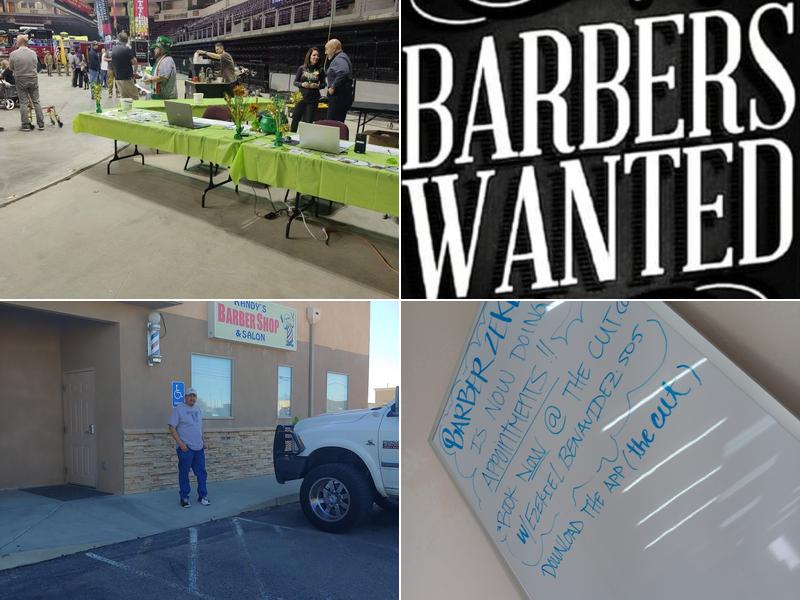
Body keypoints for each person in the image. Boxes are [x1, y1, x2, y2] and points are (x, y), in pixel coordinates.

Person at [168, 387, 210, 508]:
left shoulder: (198, 409)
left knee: (201, 473)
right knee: (184, 473)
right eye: (190, 396)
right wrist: (181, 444)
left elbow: (199, 427)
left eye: (194, 396)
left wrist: (203, 441)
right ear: (185, 397)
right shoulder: (178, 409)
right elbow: (171, 427)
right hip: (186, 449)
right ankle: (184, 498)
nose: (192, 398)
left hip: (199, 448)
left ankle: (203, 496)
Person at [8, 35, 44, 131]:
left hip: (20, 79)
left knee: (23, 103)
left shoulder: (13, 54)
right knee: (36, 101)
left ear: (19, 42)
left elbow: (11, 68)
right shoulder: (33, 53)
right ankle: (41, 124)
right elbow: (36, 65)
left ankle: (25, 125)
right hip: (33, 78)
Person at [291, 46, 325, 132]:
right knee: (295, 118)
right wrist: (302, 84)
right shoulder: (302, 68)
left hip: (313, 100)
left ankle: (305, 140)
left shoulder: (320, 70)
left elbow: (324, 84)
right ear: (309, 56)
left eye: (317, 55)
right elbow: (295, 82)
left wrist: (317, 86)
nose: (316, 57)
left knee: (308, 122)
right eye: (314, 55)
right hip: (301, 98)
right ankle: (290, 136)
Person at [324, 39, 354, 122]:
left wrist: (333, 86)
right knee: (338, 124)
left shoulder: (339, 58)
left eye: (327, 49)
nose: (325, 52)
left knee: (331, 124)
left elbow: (343, 71)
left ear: (334, 48)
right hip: (342, 97)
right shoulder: (343, 56)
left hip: (338, 97)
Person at [144, 35, 177, 100]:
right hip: (160, 96)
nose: (154, 50)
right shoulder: (161, 59)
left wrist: (149, 80)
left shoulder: (167, 60)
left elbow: (162, 77)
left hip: (166, 99)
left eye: (156, 48)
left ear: (162, 49)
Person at [111, 32, 138, 99]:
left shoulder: (113, 49)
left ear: (118, 39)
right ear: (127, 40)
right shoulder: (127, 49)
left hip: (118, 77)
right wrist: (135, 72)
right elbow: (135, 62)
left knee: (124, 98)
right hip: (127, 78)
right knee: (134, 97)